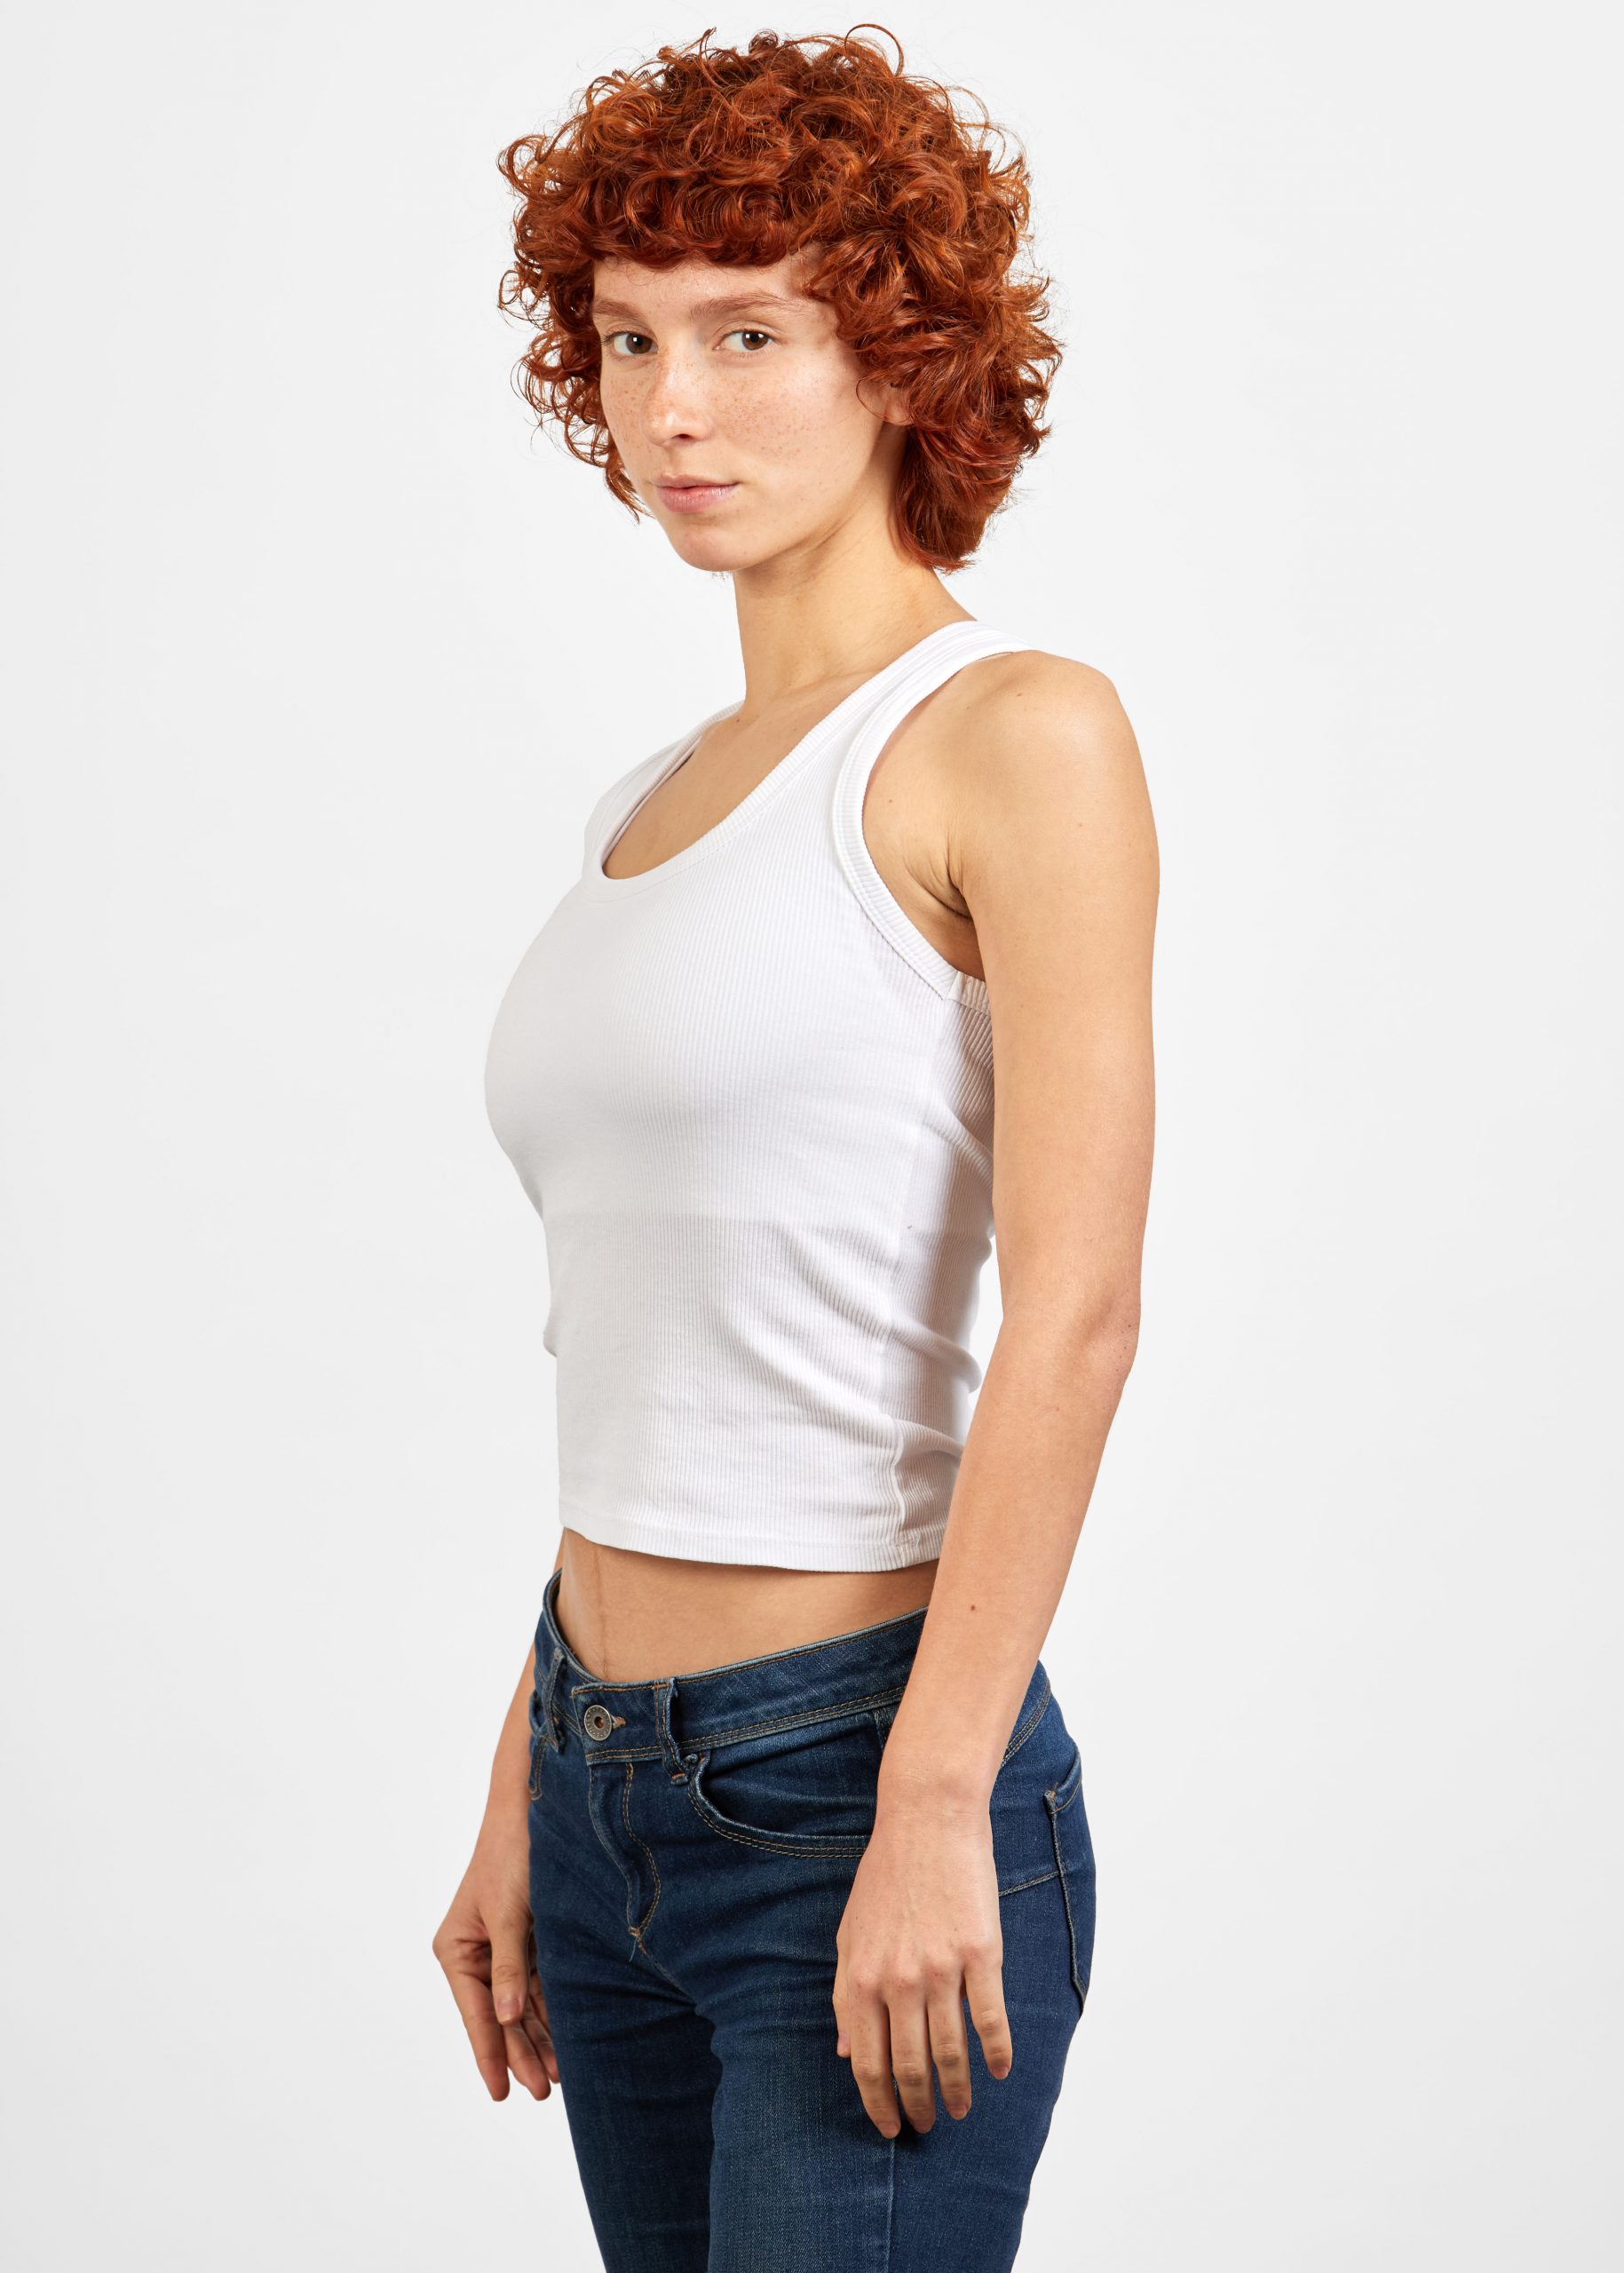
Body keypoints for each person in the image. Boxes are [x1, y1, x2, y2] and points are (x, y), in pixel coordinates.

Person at [432, 26, 1158, 2269]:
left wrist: (935, 1792)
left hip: (858, 1767)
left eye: (750, 333)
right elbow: (650, 1341)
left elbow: (1080, 1306)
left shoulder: (1013, 734)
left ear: (901, 353)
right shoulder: (648, 802)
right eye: (630, 336)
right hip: (601, 1775)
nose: (677, 406)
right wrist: (527, 1775)